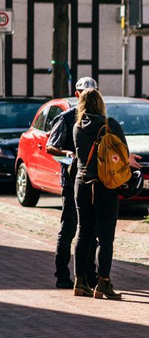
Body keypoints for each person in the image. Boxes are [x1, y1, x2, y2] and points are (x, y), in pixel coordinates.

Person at [73, 88, 129, 300]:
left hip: (82, 183)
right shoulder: (110, 125)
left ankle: (80, 281)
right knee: (105, 237)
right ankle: (103, 283)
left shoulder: (76, 127)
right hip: (105, 185)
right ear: (100, 104)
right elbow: (123, 151)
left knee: (83, 232)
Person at [45, 76, 99, 290]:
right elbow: (51, 147)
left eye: (92, 93)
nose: (88, 97)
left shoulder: (100, 118)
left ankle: (90, 273)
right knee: (68, 228)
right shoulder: (67, 118)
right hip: (71, 181)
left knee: (90, 230)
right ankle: (62, 274)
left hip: (94, 182)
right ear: (77, 95)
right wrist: (68, 155)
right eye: (84, 94)